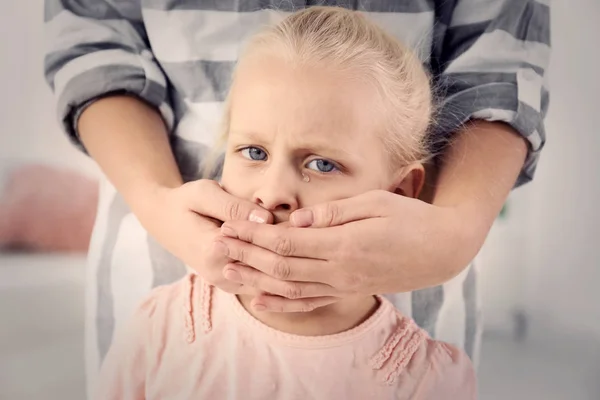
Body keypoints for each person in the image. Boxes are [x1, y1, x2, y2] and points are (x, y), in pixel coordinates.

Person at [43, 0, 550, 397]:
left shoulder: (428, 378)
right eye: (252, 151)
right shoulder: (156, 332)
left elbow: (500, 67)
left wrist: (454, 233)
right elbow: (92, 43)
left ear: (401, 191)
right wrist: (156, 200)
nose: (274, 192)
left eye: (321, 163)